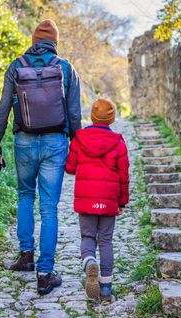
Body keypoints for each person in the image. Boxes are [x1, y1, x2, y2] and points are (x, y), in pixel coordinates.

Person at [0, 19, 82, 296]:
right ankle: (45, 272)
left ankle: (26, 255)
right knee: (49, 207)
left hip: (24, 142)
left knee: (26, 196)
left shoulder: (16, 66)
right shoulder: (65, 67)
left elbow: (3, 109)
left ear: (32, 41)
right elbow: (75, 114)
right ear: (54, 41)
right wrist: (77, 145)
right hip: (56, 143)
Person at [65, 98, 130, 301]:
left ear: (92, 117)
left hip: (86, 201)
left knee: (87, 238)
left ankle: (89, 262)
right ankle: (106, 290)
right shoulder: (118, 143)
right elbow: (124, 176)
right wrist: (122, 202)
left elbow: (70, 168)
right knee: (106, 241)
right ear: (112, 119)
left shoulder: (79, 139)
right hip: (109, 201)